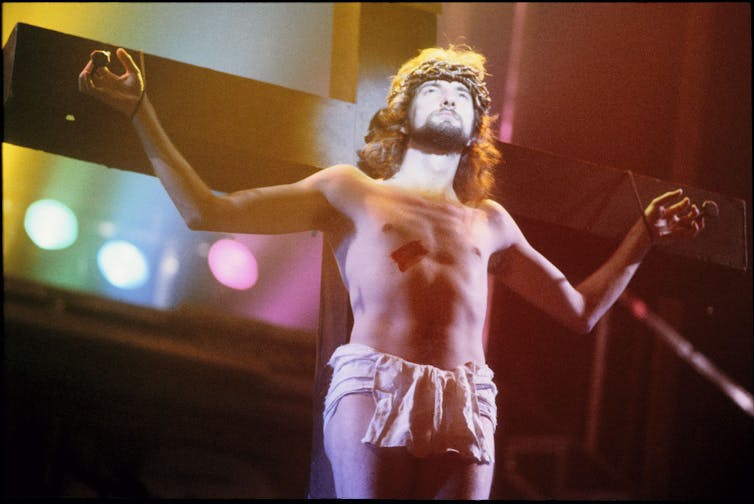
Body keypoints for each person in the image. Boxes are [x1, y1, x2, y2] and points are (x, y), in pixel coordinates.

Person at [78, 45, 704, 499]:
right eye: (433, 88)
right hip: (375, 382)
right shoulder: (352, 191)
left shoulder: (490, 221)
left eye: (461, 93)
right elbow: (207, 210)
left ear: (476, 128)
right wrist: (140, 112)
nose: (448, 96)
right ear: (403, 113)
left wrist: (643, 237)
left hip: (466, 395)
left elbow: (579, 312)